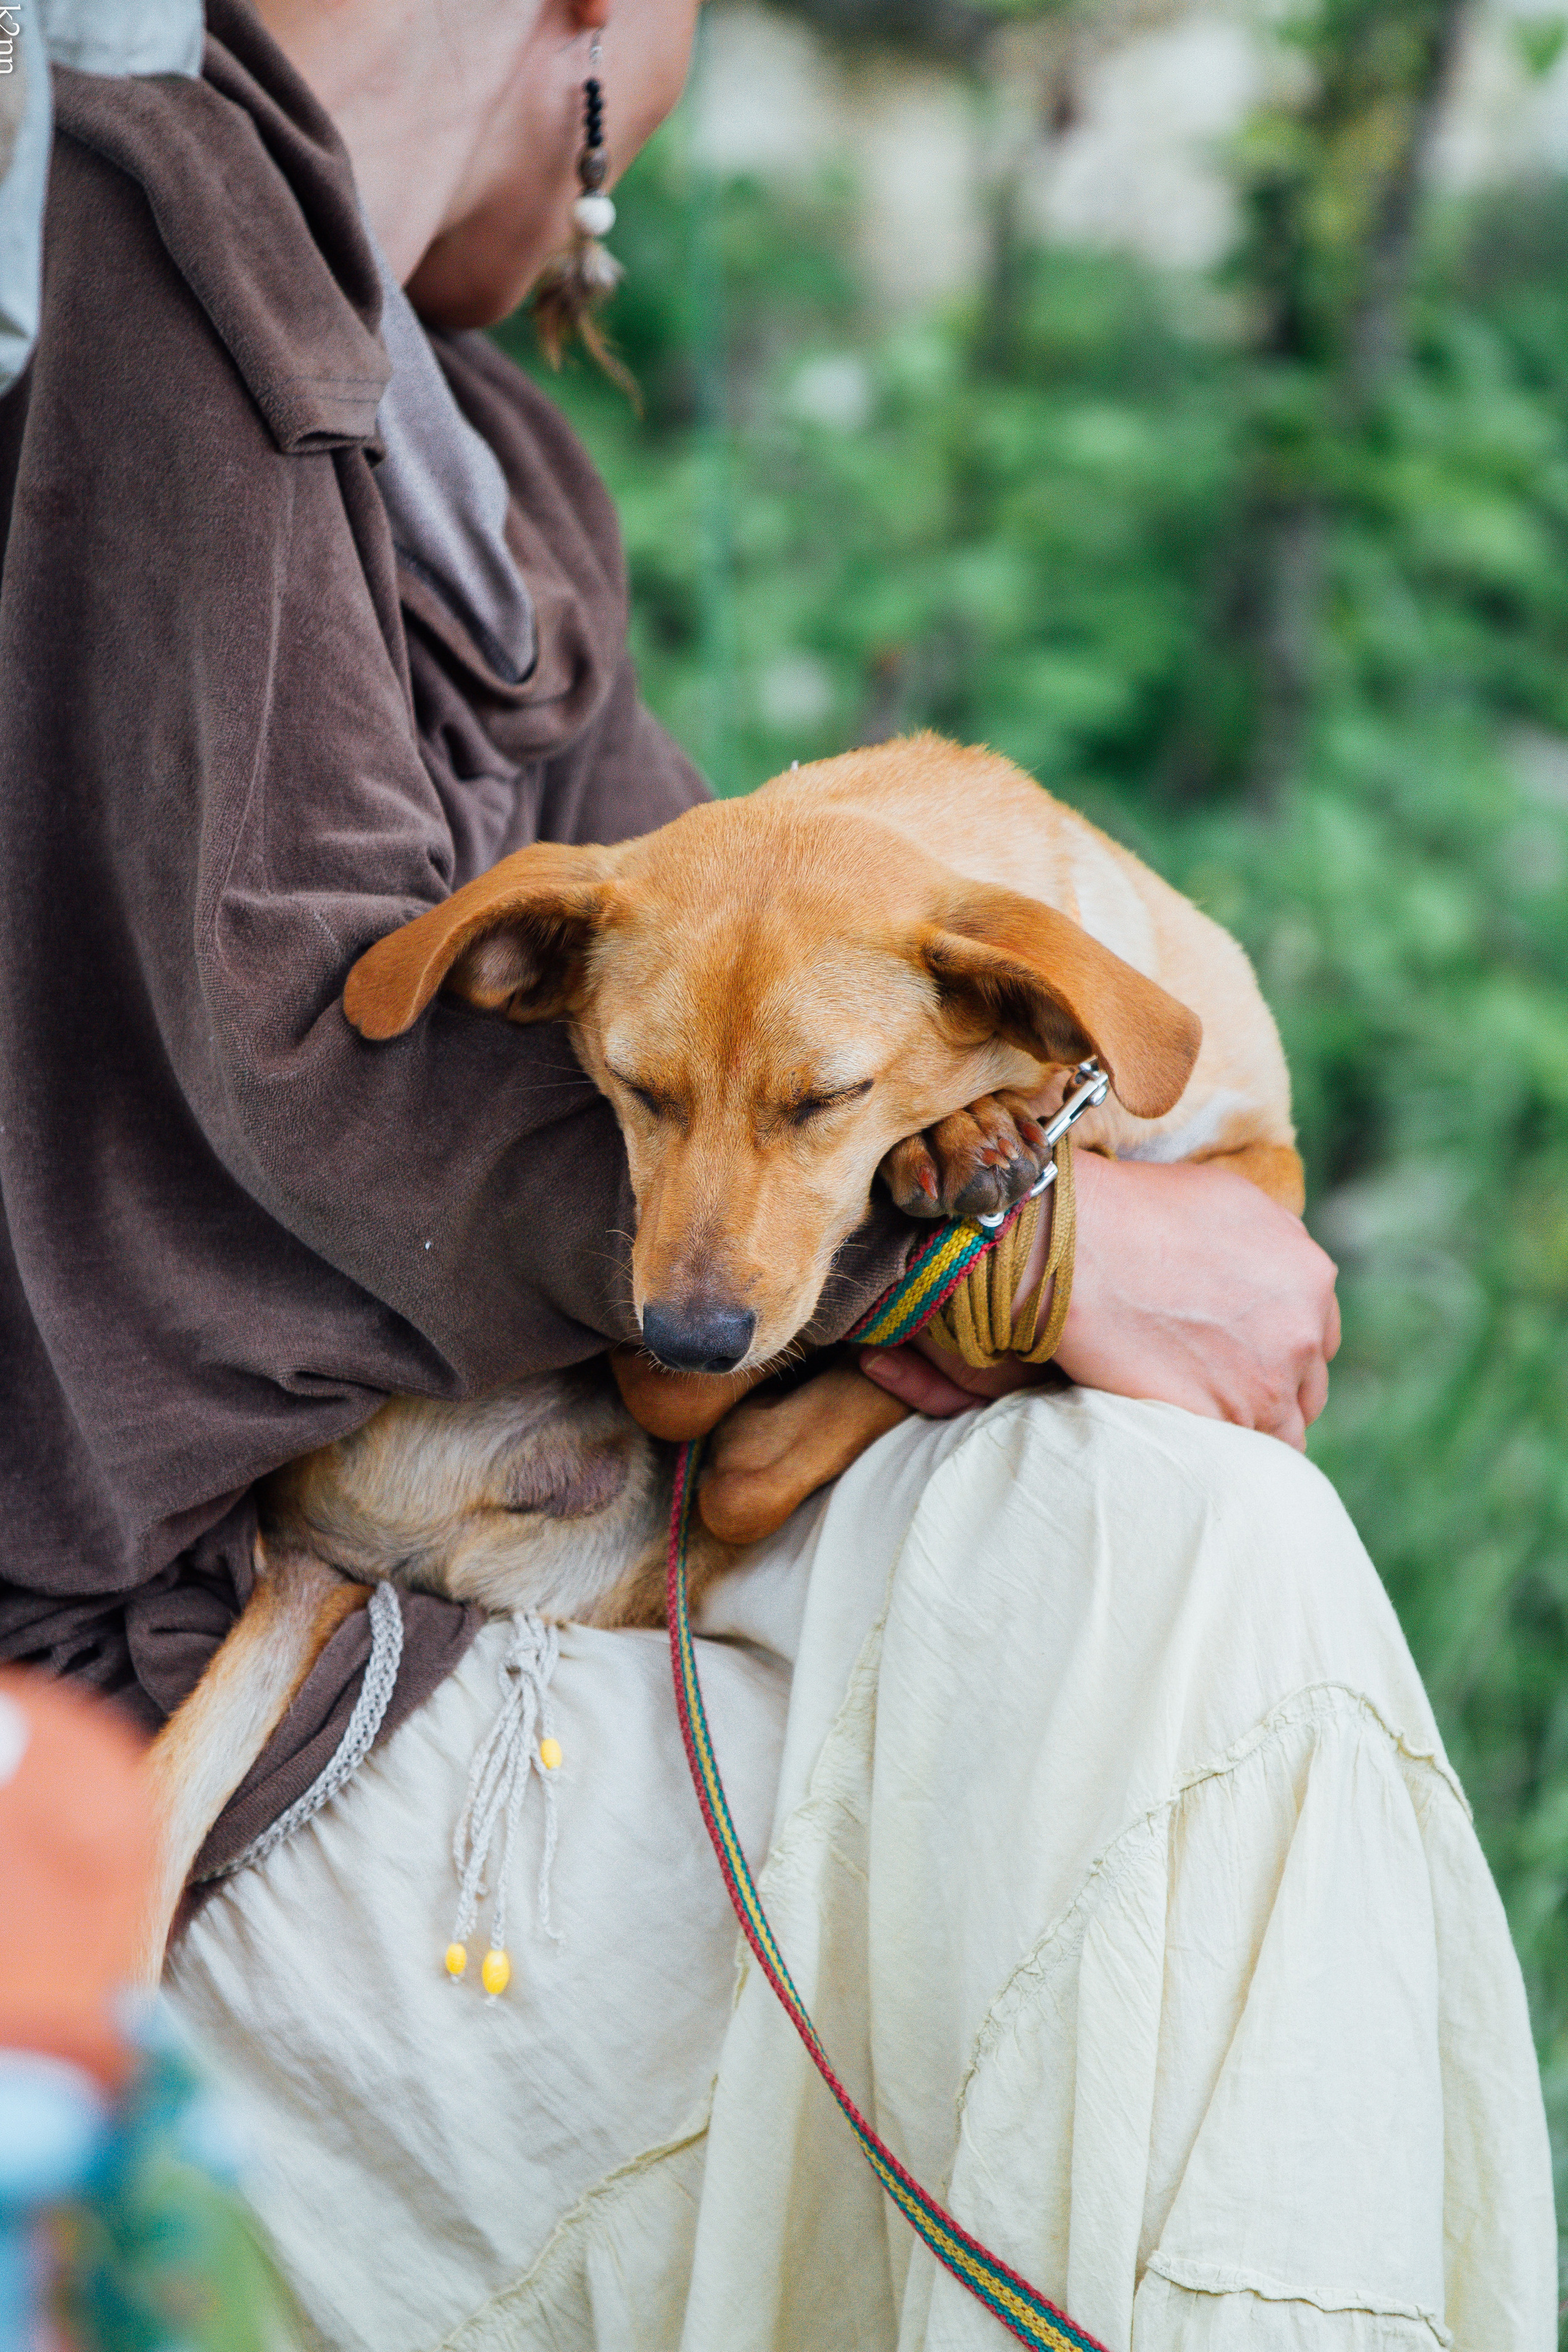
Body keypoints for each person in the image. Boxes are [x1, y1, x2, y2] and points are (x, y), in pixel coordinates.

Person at [0, 2, 1553, 2345]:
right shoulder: (163, 271)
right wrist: (1018, 1261)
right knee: (1169, 1641)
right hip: (257, 1648)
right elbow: (298, 1063)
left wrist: (1015, 1182)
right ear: (593, 23)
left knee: (1200, 1540)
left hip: (571, 1514)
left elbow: (748, 990)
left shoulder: (502, 461)